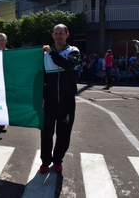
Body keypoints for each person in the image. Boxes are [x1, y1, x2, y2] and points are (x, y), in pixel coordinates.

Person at [40, 24, 80, 174]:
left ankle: (57, 161)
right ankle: (45, 161)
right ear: (52, 36)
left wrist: (51, 53)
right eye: (55, 34)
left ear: (66, 35)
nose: (58, 36)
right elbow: (40, 77)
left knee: (63, 133)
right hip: (49, 102)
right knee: (46, 133)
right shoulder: (44, 54)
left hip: (67, 102)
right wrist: (42, 97)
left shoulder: (73, 51)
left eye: (61, 33)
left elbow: (68, 65)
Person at [0, 33, 8, 132]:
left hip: (6, 82)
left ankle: (2, 123)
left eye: (2, 40)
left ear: (6, 42)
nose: (1, 42)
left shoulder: (10, 54)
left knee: (4, 103)